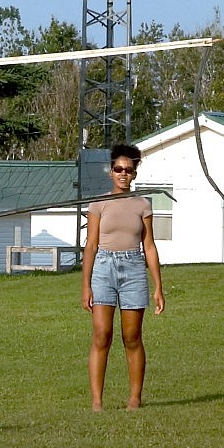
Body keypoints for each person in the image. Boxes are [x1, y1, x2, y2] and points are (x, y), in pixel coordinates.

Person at [79, 141, 166, 410]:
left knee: (132, 336)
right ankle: (97, 401)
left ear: (135, 173)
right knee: (102, 334)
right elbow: (91, 245)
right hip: (104, 268)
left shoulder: (143, 205)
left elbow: (149, 246)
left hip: (133, 269)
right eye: (118, 169)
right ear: (111, 172)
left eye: (128, 170)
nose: (123, 174)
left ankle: (134, 398)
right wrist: (86, 286)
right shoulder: (98, 205)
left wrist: (158, 286)